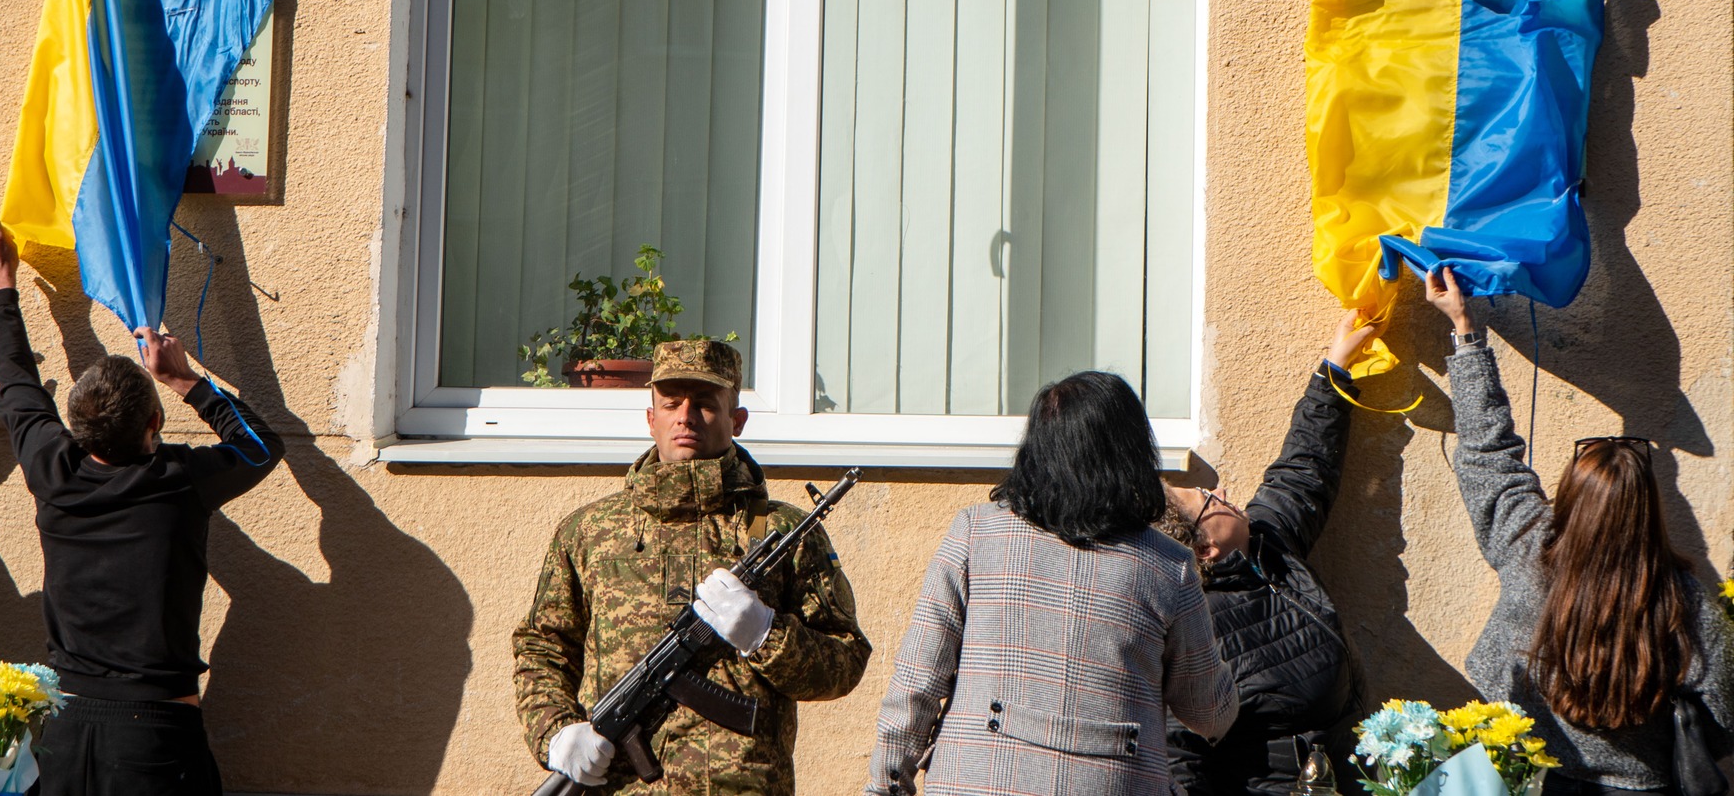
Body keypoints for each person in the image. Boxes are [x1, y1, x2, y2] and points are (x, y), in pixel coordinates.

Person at [0, 217, 281, 796]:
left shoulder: (54, 470)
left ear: (75, 429)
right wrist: (188, 381)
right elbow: (262, 446)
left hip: (63, 731)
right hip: (155, 739)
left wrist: (0, 280)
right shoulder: (178, 480)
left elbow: (16, 380)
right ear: (155, 424)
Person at [513, 336, 871, 794]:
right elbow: (543, 647)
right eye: (670, 404)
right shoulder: (589, 531)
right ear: (650, 419)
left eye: (705, 403)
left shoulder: (779, 531)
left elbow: (845, 660)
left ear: (736, 420)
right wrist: (556, 733)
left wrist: (766, 635)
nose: (685, 416)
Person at [1426, 265, 1734, 795]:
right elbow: (1722, 723)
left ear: (1566, 500)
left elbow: (1487, 452)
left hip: (1528, 779)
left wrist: (1466, 332)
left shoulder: (1528, 542)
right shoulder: (1685, 602)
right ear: (1647, 513)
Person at [867, 370, 1239, 796]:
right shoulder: (1168, 564)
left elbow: (916, 683)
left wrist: (887, 785)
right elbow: (1210, 712)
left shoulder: (976, 534)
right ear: (1134, 454)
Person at [1153, 312, 1380, 795]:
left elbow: (1302, 470)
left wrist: (1334, 372)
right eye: (1208, 499)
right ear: (1207, 548)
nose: (1223, 491)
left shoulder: (1266, 544)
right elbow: (1181, 765)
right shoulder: (1195, 632)